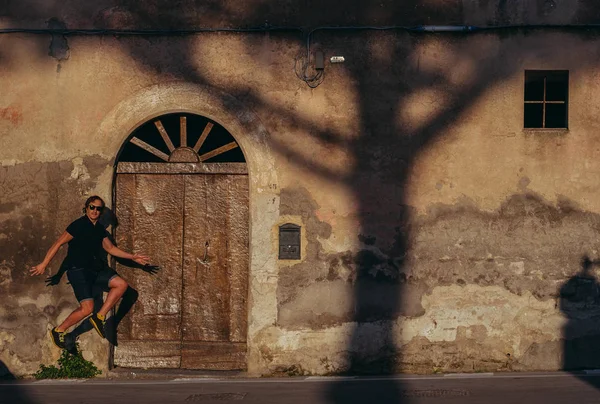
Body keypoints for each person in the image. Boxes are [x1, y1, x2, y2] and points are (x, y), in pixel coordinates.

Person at [30, 195, 150, 349]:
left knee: (121, 285)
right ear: (86, 208)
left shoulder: (100, 229)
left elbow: (111, 249)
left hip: (96, 269)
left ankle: (100, 317)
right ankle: (58, 330)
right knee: (87, 309)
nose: (95, 211)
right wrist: (44, 264)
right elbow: (58, 243)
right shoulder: (77, 225)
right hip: (79, 271)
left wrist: (133, 257)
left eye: (98, 208)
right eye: (92, 207)